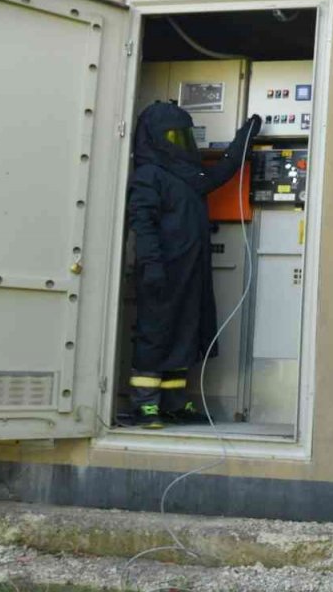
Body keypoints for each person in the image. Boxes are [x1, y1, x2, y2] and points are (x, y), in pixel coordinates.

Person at [127, 102, 261, 429]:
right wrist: (151, 265)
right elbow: (141, 223)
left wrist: (242, 142)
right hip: (161, 270)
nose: (181, 142)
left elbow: (218, 175)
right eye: (173, 135)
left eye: (184, 135)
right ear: (156, 138)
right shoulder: (149, 175)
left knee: (184, 334)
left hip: (190, 271)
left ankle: (172, 403)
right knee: (155, 334)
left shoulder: (187, 175)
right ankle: (145, 406)